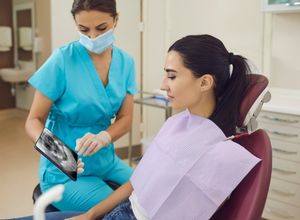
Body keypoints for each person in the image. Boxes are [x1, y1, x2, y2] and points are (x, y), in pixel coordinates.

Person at [25, 0, 137, 211]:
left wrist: (104, 137)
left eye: (101, 28)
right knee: (121, 210)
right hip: (65, 170)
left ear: (116, 20)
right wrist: (61, 156)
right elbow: (33, 120)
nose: (93, 37)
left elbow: (125, 119)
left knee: (152, 191)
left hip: (106, 160)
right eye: (84, 30)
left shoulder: (126, 63)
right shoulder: (62, 60)